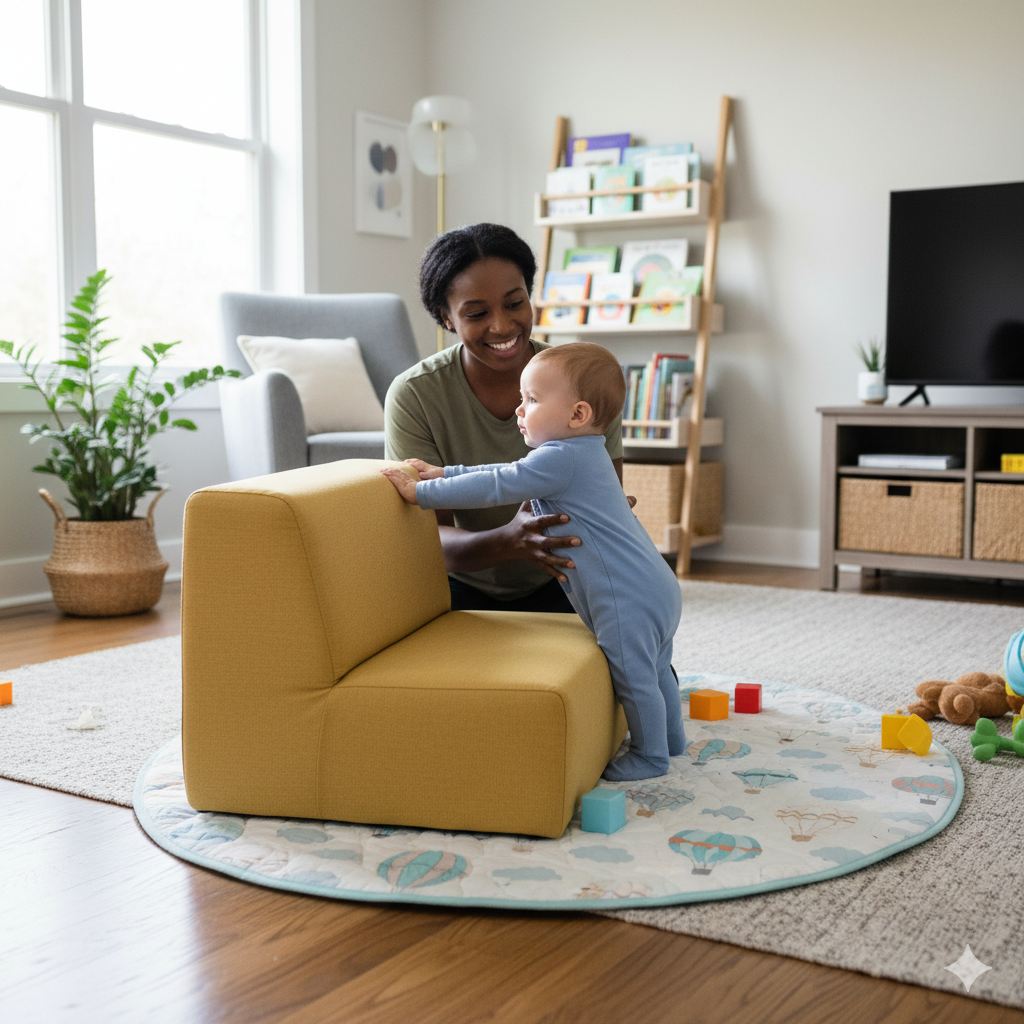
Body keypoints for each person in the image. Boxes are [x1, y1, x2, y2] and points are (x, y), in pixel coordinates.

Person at [381, 343, 684, 783]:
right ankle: (673, 740)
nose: (519, 410)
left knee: (634, 678)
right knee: (656, 667)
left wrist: (421, 494)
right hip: (655, 585)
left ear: (577, 414)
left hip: (626, 598)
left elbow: (498, 485)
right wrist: (442, 473)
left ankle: (652, 756)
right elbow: (501, 470)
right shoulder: (582, 452)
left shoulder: (560, 459)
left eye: (533, 400)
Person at [384, 223, 625, 614]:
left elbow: (603, 497)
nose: (501, 326)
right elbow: (426, 539)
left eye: (514, 303)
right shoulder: (415, 395)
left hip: (567, 572)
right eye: (477, 313)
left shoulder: (585, 381)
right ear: (447, 318)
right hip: (460, 581)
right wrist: (508, 540)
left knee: (635, 666)